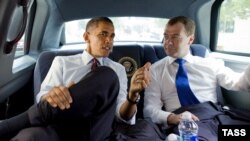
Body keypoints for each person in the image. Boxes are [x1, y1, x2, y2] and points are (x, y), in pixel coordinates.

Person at [0, 17, 151, 141]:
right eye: (103, 34)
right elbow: (41, 97)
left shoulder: (117, 69)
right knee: (29, 137)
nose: (108, 41)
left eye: (112, 36)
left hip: (98, 129)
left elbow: (121, 116)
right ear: (86, 37)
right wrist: (53, 95)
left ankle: (13, 124)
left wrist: (132, 97)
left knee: (107, 75)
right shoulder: (62, 62)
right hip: (61, 128)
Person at [143, 16, 250, 139]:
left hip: (217, 118)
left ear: (190, 39)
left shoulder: (210, 63)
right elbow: (149, 109)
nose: (168, 42)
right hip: (186, 123)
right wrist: (172, 117)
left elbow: (239, 83)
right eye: (166, 36)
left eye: (175, 37)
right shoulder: (155, 70)